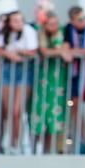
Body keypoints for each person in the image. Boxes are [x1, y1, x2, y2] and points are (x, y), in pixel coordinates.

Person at [0, 11, 37, 154]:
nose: (18, 23)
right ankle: (11, 142)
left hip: (24, 69)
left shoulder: (28, 31)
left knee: (17, 110)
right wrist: (9, 54)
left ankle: (18, 143)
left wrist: (20, 53)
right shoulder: (4, 33)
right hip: (7, 69)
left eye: (20, 20)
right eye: (15, 21)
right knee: (9, 110)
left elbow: (33, 51)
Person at [30, 11, 70, 154]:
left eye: (55, 23)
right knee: (39, 112)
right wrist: (59, 52)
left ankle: (52, 149)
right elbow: (45, 51)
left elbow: (67, 51)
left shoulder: (63, 33)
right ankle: (34, 148)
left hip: (58, 80)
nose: (54, 26)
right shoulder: (39, 34)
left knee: (56, 114)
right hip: (42, 79)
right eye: (50, 23)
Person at [60, 7, 85, 153]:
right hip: (76, 74)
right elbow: (65, 51)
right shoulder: (68, 29)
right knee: (74, 105)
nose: (84, 21)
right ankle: (84, 138)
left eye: (84, 18)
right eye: (80, 19)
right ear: (72, 21)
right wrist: (78, 52)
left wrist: (75, 52)